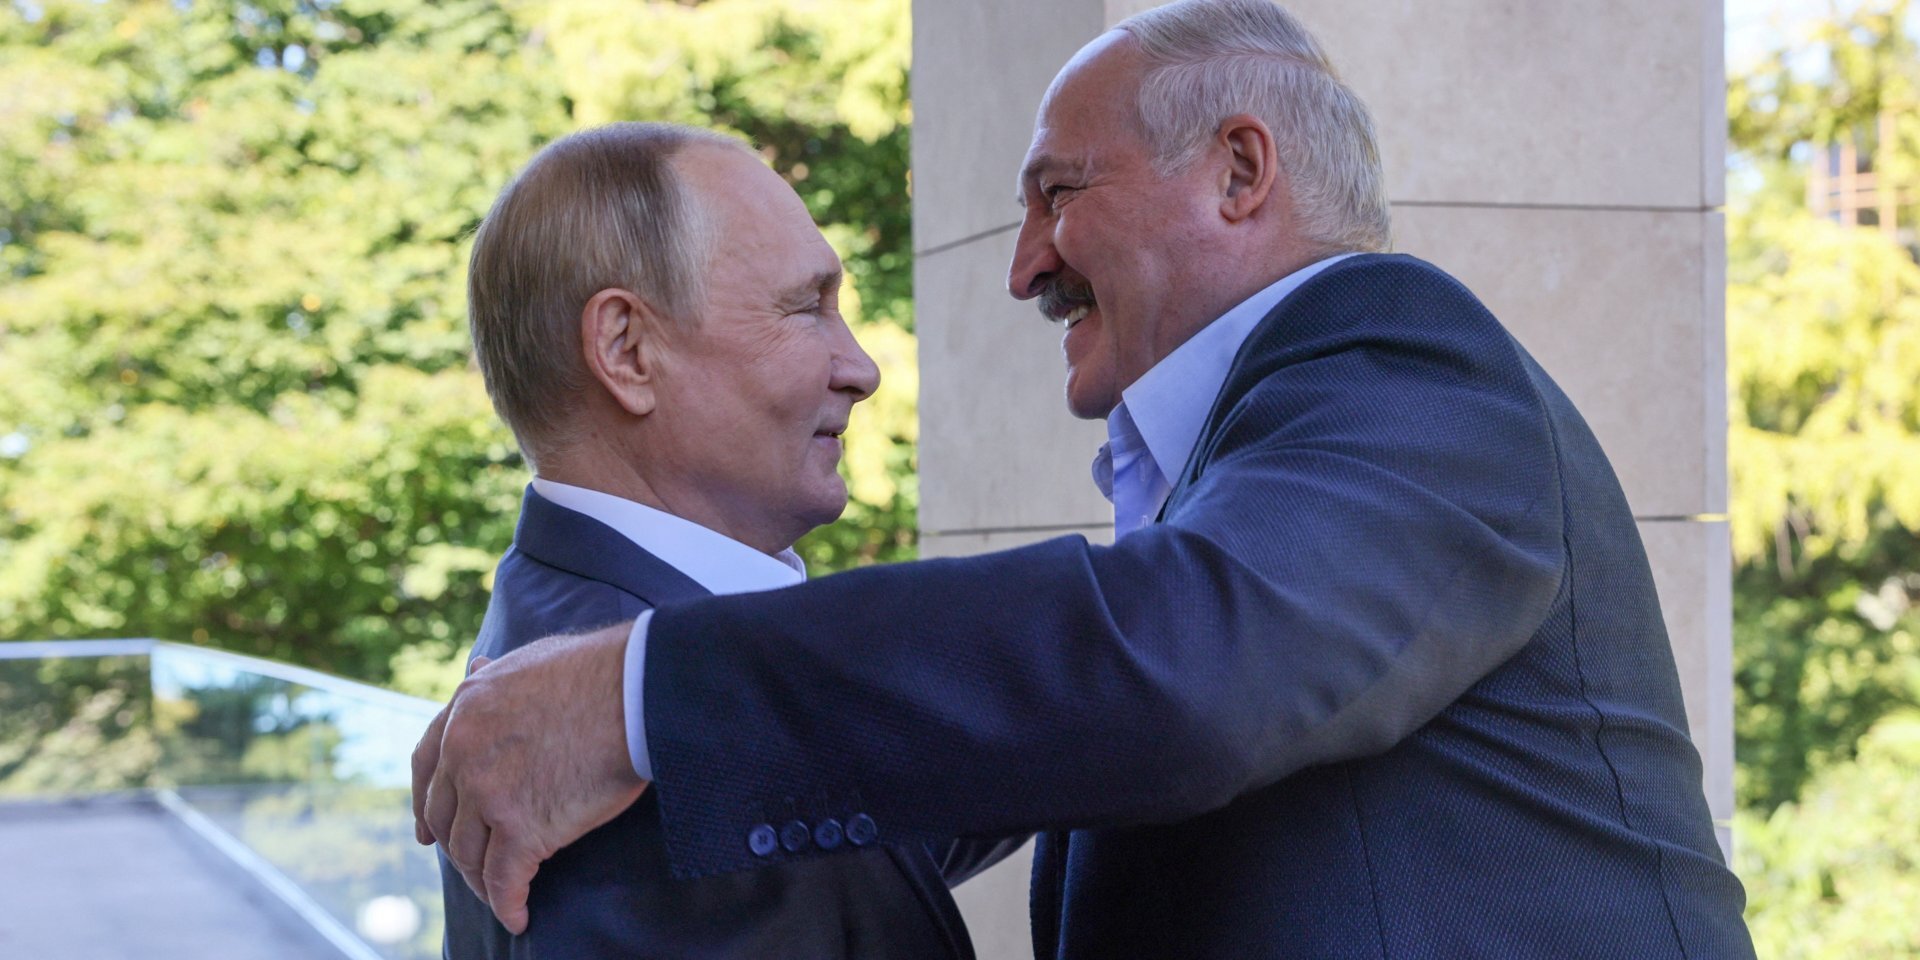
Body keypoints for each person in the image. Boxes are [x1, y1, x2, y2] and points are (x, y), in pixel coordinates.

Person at [415, 2, 1759, 956]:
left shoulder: (1406, 364)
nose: (1023, 267)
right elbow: (1044, 735)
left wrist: (644, 697)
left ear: (1239, 171)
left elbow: (1177, 674)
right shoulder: (1249, 466)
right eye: (804, 307)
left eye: (1058, 193)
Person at [436, 121, 988, 959]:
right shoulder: (634, 762)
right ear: (627, 350)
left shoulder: (571, 629)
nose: (862, 368)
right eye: (806, 308)